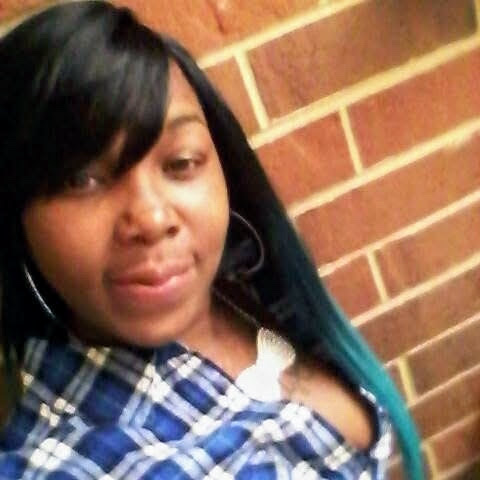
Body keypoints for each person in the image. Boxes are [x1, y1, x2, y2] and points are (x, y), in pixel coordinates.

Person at [0, 2, 423, 478]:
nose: (152, 218)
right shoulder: (77, 458)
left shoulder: (248, 281)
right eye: (81, 178)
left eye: (181, 163)